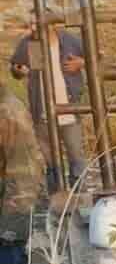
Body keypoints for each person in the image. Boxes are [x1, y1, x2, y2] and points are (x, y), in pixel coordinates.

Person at [10, 21, 87, 194]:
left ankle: (79, 199)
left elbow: (98, 57)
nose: (32, 29)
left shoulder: (69, 40)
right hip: (42, 111)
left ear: (51, 23)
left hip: (68, 109)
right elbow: (15, 68)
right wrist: (18, 70)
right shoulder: (30, 43)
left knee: (76, 157)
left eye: (36, 24)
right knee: (52, 162)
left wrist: (82, 62)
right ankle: (57, 200)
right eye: (30, 25)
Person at [0, 92, 43, 264]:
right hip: (10, 207)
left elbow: (24, 174)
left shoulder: (9, 113)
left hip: (11, 210)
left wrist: (10, 225)